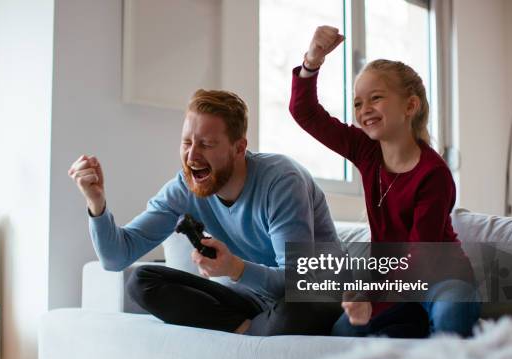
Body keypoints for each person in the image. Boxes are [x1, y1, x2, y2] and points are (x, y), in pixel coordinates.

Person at [69, 89, 343, 336]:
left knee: (293, 312)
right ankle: (250, 331)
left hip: (315, 294)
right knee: (142, 281)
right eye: (187, 143)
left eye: (206, 144)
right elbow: (116, 258)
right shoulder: (185, 187)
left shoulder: (281, 180)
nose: (191, 157)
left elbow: (298, 279)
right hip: (253, 302)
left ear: (239, 148)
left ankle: (250, 330)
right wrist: (96, 203)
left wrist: (235, 268)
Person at [290, 26, 480, 337]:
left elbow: (422, 256)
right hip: (395, 286)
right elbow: (305, 113)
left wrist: (374, 300)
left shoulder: (434, 174)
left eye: (375, 98)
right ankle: (409, 330)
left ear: (410, 106)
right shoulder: (365, 151)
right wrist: (312, 61)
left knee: (450, 314)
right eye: (357, 103)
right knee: (342, 335)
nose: (364, 110)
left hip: (443, 279)